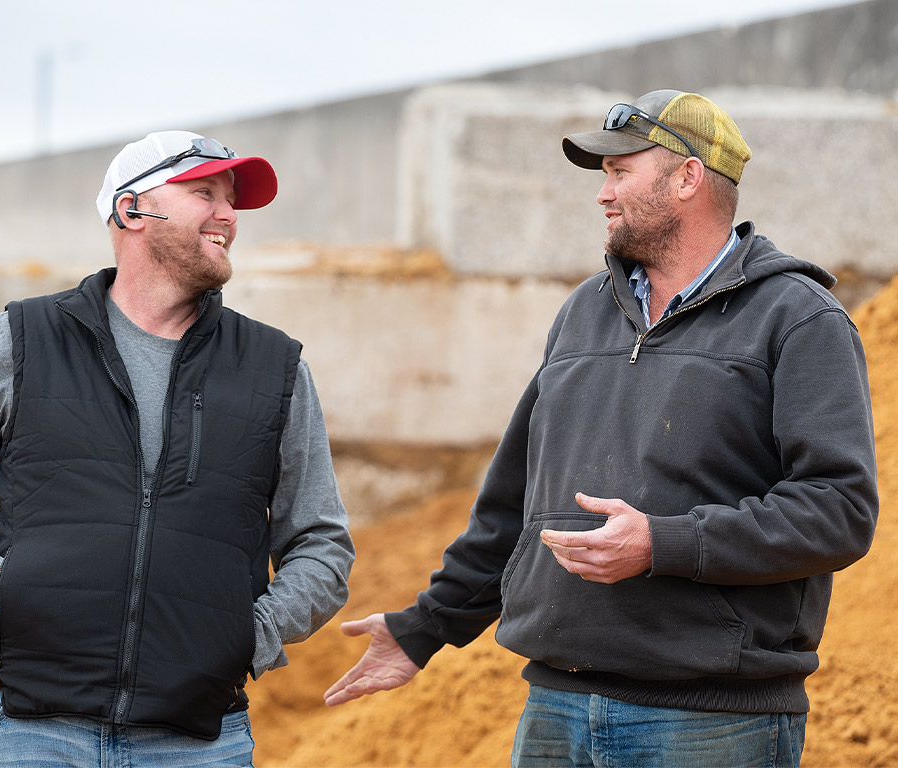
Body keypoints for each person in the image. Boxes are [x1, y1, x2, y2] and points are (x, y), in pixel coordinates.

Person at [324, 90, 878, 767]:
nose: (602, 193)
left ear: (686, 178)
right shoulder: (585, 313)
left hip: (708, 724)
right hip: (557, 709)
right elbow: (516, 506)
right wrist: (426, 627)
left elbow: (838, 511)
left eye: (620, 171)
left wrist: (663, 544)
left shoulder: (798, 319)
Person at [0, 130, 355, 767]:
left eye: (232, 201)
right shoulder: (23, 339)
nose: (228, 216)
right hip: (30, 731)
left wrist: (246, 636)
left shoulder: (274, 368)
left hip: (201, 742)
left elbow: (322, 544)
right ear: (132, 210)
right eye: (204, 193)